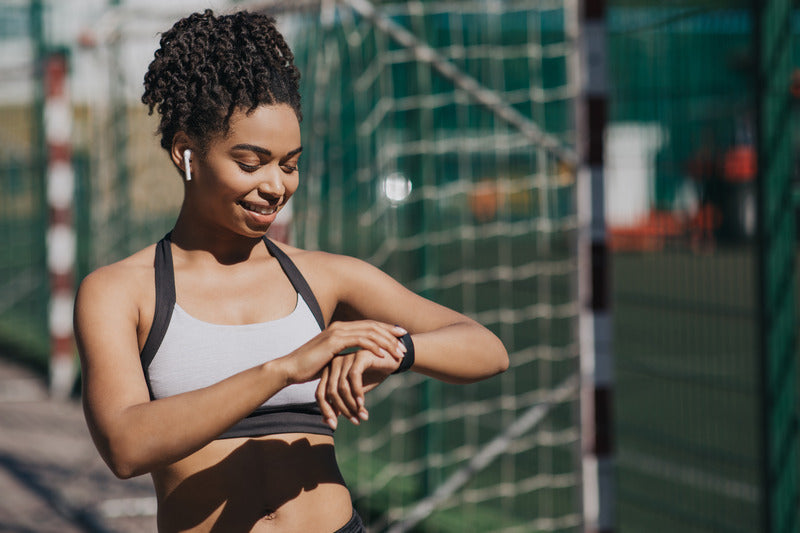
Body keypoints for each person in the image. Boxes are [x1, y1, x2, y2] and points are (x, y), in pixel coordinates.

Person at [74, 9, 508, 533]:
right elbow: (125, 446)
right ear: (186, 152)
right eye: (251, 162)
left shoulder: (324, 276)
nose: (277, 186)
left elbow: (486, 348)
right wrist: (283, 369)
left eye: (290, 163)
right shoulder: (120, 291)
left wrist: (396, 354)